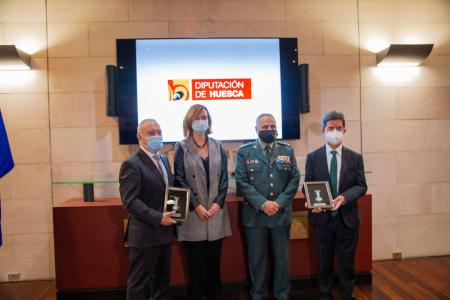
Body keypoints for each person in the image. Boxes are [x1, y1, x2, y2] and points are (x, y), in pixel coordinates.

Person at [235, 113, 300, 300]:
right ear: (256, 129)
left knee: (282, 261)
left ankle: (282, 295)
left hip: (280, 214)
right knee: (257, 261)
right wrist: (263, 204)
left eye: (272, 126)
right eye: (265, 127)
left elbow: (294, 179)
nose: (269, 130)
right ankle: (258, 294)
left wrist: (278, 203)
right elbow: (241, 181)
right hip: (255, 215)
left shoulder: (287, 151)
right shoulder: (244, 152)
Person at [304, 111, 367, 300]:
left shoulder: (355, 157)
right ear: (323, 131)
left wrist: (344, 197)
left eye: (338, 128)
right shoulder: (313, 157)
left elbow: (361, 186)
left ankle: (347, 294)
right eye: (330, 128)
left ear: (345, 130)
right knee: (324, 261)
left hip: (347, 219)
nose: (334, 132)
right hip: (322, 219)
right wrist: (312, 203)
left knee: (347, 262)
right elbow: (308, 184)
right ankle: (325, 294)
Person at [174, 104, 231, 300]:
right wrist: (196, 205)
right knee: (195, 268)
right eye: (197, 118)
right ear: (189, 121)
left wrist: (218, 203)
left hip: (216, 214)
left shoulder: (218, 145)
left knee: (214, 266)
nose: (201, 121)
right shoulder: (181, 147)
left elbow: (224, 178)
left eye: (204, 117)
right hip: (193, 215)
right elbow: (179, 179)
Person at [119, 119, 176, 300]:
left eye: (159, 131)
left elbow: (167, 191)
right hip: (145, 236)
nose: (156, 136)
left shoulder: (164, 160)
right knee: (139, 285)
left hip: (165, 234)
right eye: (151, 133)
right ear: (139, 137)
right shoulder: (131, 164)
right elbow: (130, 202)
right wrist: (158, 217)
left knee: (162, 283)